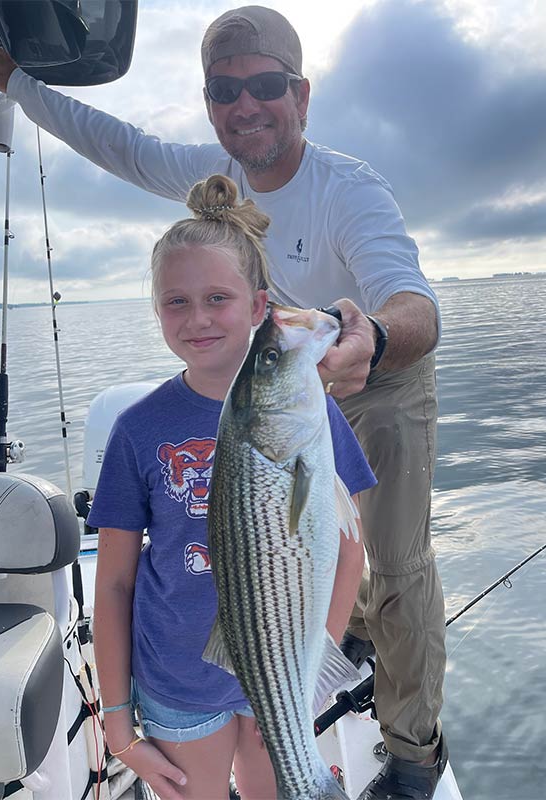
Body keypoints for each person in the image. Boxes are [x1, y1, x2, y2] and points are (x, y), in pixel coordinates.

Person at [0, 6, 448, 797]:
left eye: (266, 86)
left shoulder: (349, 189)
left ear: (301, 95)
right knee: (293, 535)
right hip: (271, 381)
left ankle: (411, 749)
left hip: (376, 363)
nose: (246, 105)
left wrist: (367, 330)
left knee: (395, 565)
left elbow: (417, 305)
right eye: (225, 90)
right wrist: (14, 81)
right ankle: (312, 630)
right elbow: (113, 142)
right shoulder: (214, 172)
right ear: (209, 102)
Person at [86, 173, 376, 800]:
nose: (198, 318)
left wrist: (313, 665)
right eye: (176, 302)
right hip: (176, 676)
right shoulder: (138, 431)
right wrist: (116, 723)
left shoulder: (312, 412)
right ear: (156, 310)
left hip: (285, 667)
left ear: (259, 306)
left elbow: (350, 547)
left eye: (218, 297)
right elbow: (112, 581)